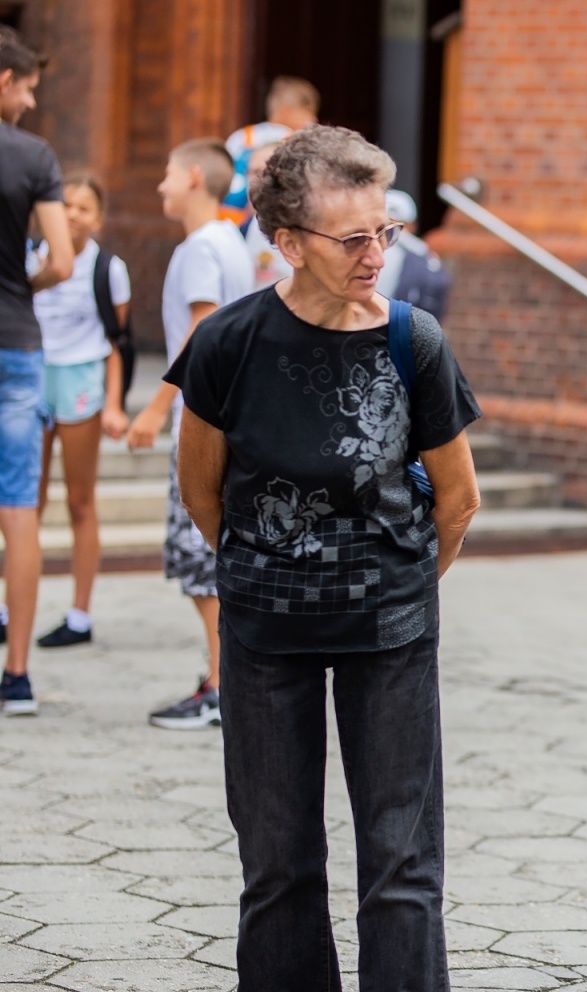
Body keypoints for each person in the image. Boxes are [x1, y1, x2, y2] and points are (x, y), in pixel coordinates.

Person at [168, 124, 480, 992]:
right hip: (265, 631)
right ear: (288, 243)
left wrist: (395, 590)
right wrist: (274, 568)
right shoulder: (227, 344)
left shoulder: (411, 341)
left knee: (400, 856)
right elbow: (201, 491)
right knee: (276, 857)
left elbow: (457, 500)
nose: (377, 254)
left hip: (390, 627)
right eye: (353, 239)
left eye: (383, 231)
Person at [129, 139, 252, 728]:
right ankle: (225, 680)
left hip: (202, 425)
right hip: (231, 418)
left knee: (200, 562)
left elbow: (199, 336)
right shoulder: (230, 241)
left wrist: (154, 408)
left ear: (195, 177)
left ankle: (223, 687)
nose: (161, 187)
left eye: (168, 175)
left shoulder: (203, 248)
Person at [0, 28, 73, 714]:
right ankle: (16, 675)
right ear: (2, 81)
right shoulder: (33, 156)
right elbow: (63, 258)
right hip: (15, 345)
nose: (28, 101)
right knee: (19, 507)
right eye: (25, 88)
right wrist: (24, 287)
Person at [32, 175, 131, 647]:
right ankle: (11, 607)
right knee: (23, 502)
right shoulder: (30, 256)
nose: (72, 214)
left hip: (80, 380)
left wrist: (114, 404)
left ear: (98, 218)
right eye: (64, 204)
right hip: (32, 378)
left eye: (84, 207)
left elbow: (117, 342)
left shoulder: (107, 268)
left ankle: (79, 615)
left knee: (80, 500)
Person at [221, 75, 319, 226]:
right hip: (268, 220)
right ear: (286, 111)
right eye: (308, 113)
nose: (313, 120)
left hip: (229, 217)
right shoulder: (293, 141)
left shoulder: (242, 136)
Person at [375, 189, 451, 320]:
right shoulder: (423, 255)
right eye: (387, 226)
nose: (394, 234)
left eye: (400, 226)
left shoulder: (421, 256)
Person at [242, 142, 291, 290]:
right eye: (252, 172)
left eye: (265, 172)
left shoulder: (306, 230)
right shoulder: (238, 232)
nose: (256, 181)